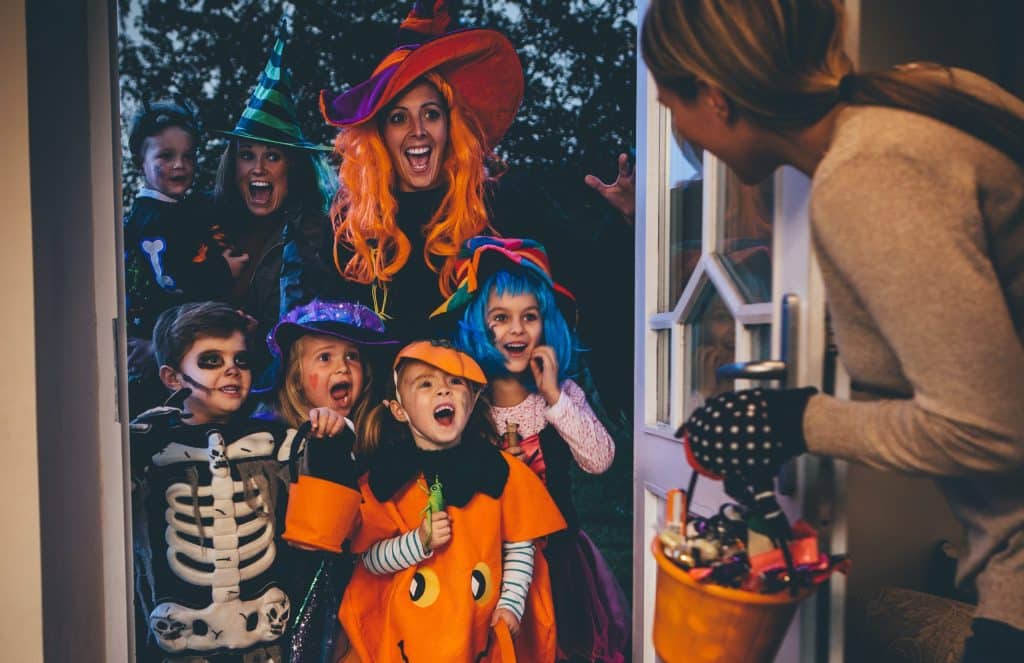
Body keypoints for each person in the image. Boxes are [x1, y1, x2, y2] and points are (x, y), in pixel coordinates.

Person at [642, 1, 1024, 660]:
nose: (675, 127)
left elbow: (988, 426)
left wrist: (799, 420)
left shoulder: (865, 177)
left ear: (713, 96)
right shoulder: (920, 96)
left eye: (669, 100)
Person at [319, 0, 635, 344]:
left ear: (451, 126)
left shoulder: (503, 205)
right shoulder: (353, 235)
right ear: (380, 137)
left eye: (431, 114)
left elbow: (591, 282)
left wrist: (628, 222)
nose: (418, 130)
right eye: (398, 118)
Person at [288, 340, 566, 661]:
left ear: (473, 399)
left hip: (476, 630)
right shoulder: (385, 478)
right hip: (412, 638)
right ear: (399, 410)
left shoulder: (501, 473)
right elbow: (369, 561)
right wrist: (419, 541)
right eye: (425, 384)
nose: (443, 392)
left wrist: (511, 604)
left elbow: (520, 544)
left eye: (455, 382)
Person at [446, 237, 629, 662]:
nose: (517, 329)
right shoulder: (469, 403)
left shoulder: (559, 395)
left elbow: (600, 460)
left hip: (559, 560)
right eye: (501, 318)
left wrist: (553, 399)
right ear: (478, 324)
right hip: (492, 561)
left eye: (530, 317)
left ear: (546, 327)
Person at [130, 301, 345, 661]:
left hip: (267, 644)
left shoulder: (281, 444)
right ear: (172, 378)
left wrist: (330, 448)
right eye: (211, 361)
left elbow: (325, 536)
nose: (231, 370)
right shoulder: (146, 450)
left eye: (240, 361)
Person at [213, 33, 337, 386]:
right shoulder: (207, 226)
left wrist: (263, 336)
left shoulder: (315, 236)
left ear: (292, 167)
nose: (258, 168)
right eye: (247, 154)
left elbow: (318, 332)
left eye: (272, 156)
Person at [124, 98, 247, 340]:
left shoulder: (180, 209)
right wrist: (224, 269)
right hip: (164, 337)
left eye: (188, 156)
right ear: (141, 164)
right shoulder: (151, 219)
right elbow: (172, 278)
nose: (179, 165)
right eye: (166, 156)